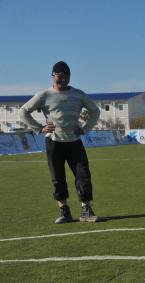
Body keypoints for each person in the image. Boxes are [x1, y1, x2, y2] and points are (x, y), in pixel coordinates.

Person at [19, 61, 100, 224]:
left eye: (66, 76)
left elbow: (95, 111)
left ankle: (86, 210)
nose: (62, 79)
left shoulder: (78, 94)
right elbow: (23, 111)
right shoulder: (44, 95)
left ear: (69, 77)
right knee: (57, 178)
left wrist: (85, 128)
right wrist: (39, 128)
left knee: (83, 176)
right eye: (59, 76)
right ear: (53, 76)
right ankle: (64, 211)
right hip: (54, 143)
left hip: (74, 142)